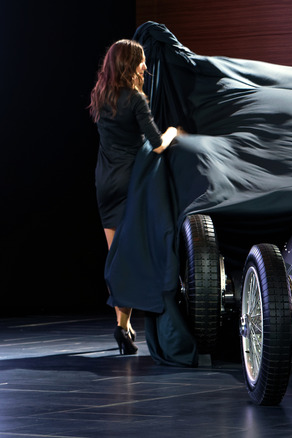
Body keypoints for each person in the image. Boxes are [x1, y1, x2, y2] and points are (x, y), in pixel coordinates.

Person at [89, 39, 178, 354]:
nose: (145, 67)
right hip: (130, 182)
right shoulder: (136, 98)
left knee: (115, 256)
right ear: (130, 64)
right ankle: (124, 326)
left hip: (104, 181)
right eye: (141, 61)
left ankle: (123, 328)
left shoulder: (100, 96)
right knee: (128, 257)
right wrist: (173, 132)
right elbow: (156, 144)